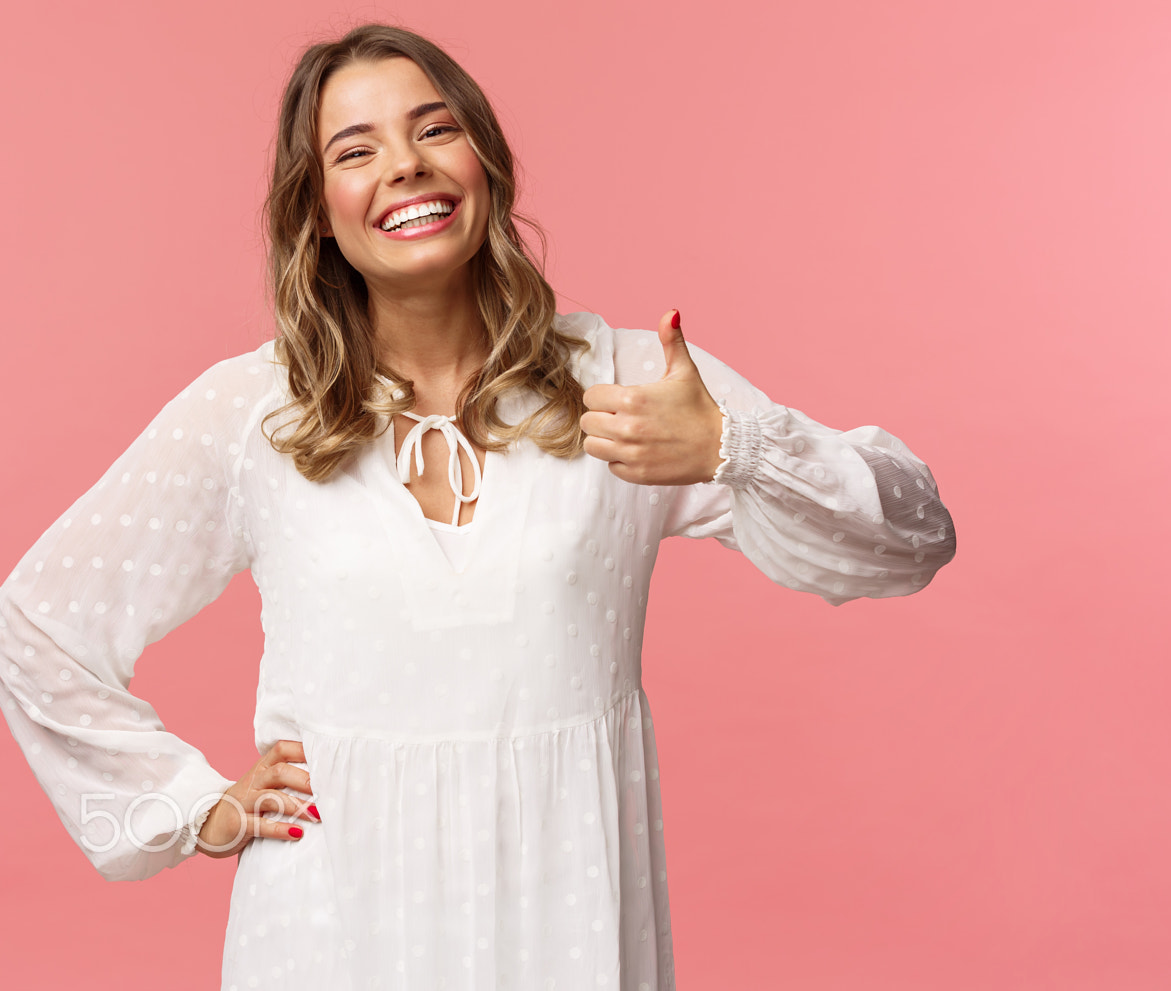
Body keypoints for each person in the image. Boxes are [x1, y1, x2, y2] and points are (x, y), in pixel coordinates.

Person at [0, 21, 956, 988]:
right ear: (318, 210)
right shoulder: (253, 412)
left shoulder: (625, 382)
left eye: (434, 129)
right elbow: (36, 620)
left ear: (485, 163)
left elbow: (911, 537)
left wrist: (731, 448)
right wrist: (189, 806)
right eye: (356, 150)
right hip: (332, 928)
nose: (405, 167)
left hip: (567, 916)